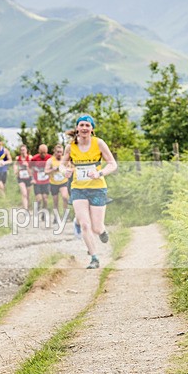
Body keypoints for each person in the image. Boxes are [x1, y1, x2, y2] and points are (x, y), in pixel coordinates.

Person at [60, 115, 118, 268]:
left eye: (87, 125)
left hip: (97, 188)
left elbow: (112, 164)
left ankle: (103, 231)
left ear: (92, 129)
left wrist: (99, 173)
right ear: (77, 128)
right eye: (82, 125)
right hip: (78, 188)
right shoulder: (70, 147)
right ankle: (94, 258)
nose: (84, 128)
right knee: (85, 225)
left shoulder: (98, 143)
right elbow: (61, 165)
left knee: (96, 228)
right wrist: (64, 171)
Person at [46, 143, 70, 227]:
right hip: (54, 183)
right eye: (58, 152)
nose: (59, 153)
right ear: (54, 152)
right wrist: (53, 169)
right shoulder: (50, 160)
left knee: (65, 197)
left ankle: (65, 215)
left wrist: (67, 170)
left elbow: (70, 167)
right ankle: (56, 217)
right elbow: (46, 171)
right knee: (55, 202)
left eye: (61, 152)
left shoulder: (65, 159)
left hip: (63, 182)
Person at [30, 144, 51, 224]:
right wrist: (32, 178)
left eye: (45, 153)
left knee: (45, 199)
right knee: (39, 199)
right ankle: (37, 209)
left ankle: (44, 214)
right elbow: (30, 168)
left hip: (46, 181)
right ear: (39, 151)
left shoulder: (50, 158)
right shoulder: (34, 158)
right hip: (37, 181)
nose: (43, 155)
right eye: (42, 153)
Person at [15, 144, 32, 212]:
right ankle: (25, 210)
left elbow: (32, 168)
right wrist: (17, 171)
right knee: (24, 193)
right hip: (21, 178)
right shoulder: (17, 158)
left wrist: (27, 165)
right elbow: (15, 167)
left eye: (24, 150)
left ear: (26, 150)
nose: (23, 151)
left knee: (28, 194)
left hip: (29, 177)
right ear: (20, 151)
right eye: (21, 150)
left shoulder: (30, 157)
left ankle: (27, 206)